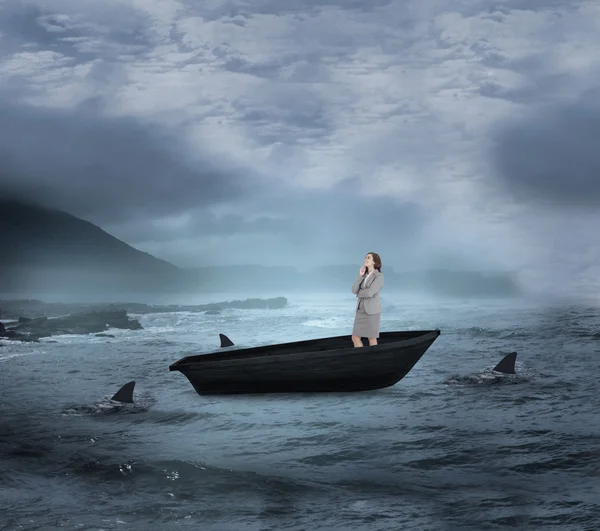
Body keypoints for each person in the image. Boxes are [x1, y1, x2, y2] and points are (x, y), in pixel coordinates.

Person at [351, 252, 384, 347]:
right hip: (360, 311)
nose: (366, 259)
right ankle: (361, 358)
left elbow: (370, 293)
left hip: (372, 311)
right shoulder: (364, 275)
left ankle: (374, 360)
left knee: (372, 338)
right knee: (355, 337)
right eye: (365, 257)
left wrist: (359, 293)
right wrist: (360, 276)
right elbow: (354, 290)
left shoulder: (379, 276)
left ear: (374, 261)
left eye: (368, 257)